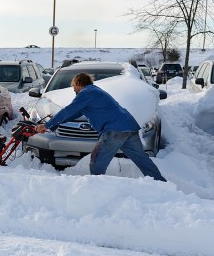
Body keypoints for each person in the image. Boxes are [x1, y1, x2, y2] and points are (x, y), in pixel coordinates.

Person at [34, 72, 166, 182]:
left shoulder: (86, 93)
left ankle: (96, 188)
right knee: (142, 159)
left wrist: (46, 125)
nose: (73, 89)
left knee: (97, 161)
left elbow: (69, 110)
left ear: (79, 83)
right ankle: (161, 183)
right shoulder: (95, 92)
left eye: (74, 86)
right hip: (129, 127)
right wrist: (53, 123)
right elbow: (74, 113)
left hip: (114, 131)